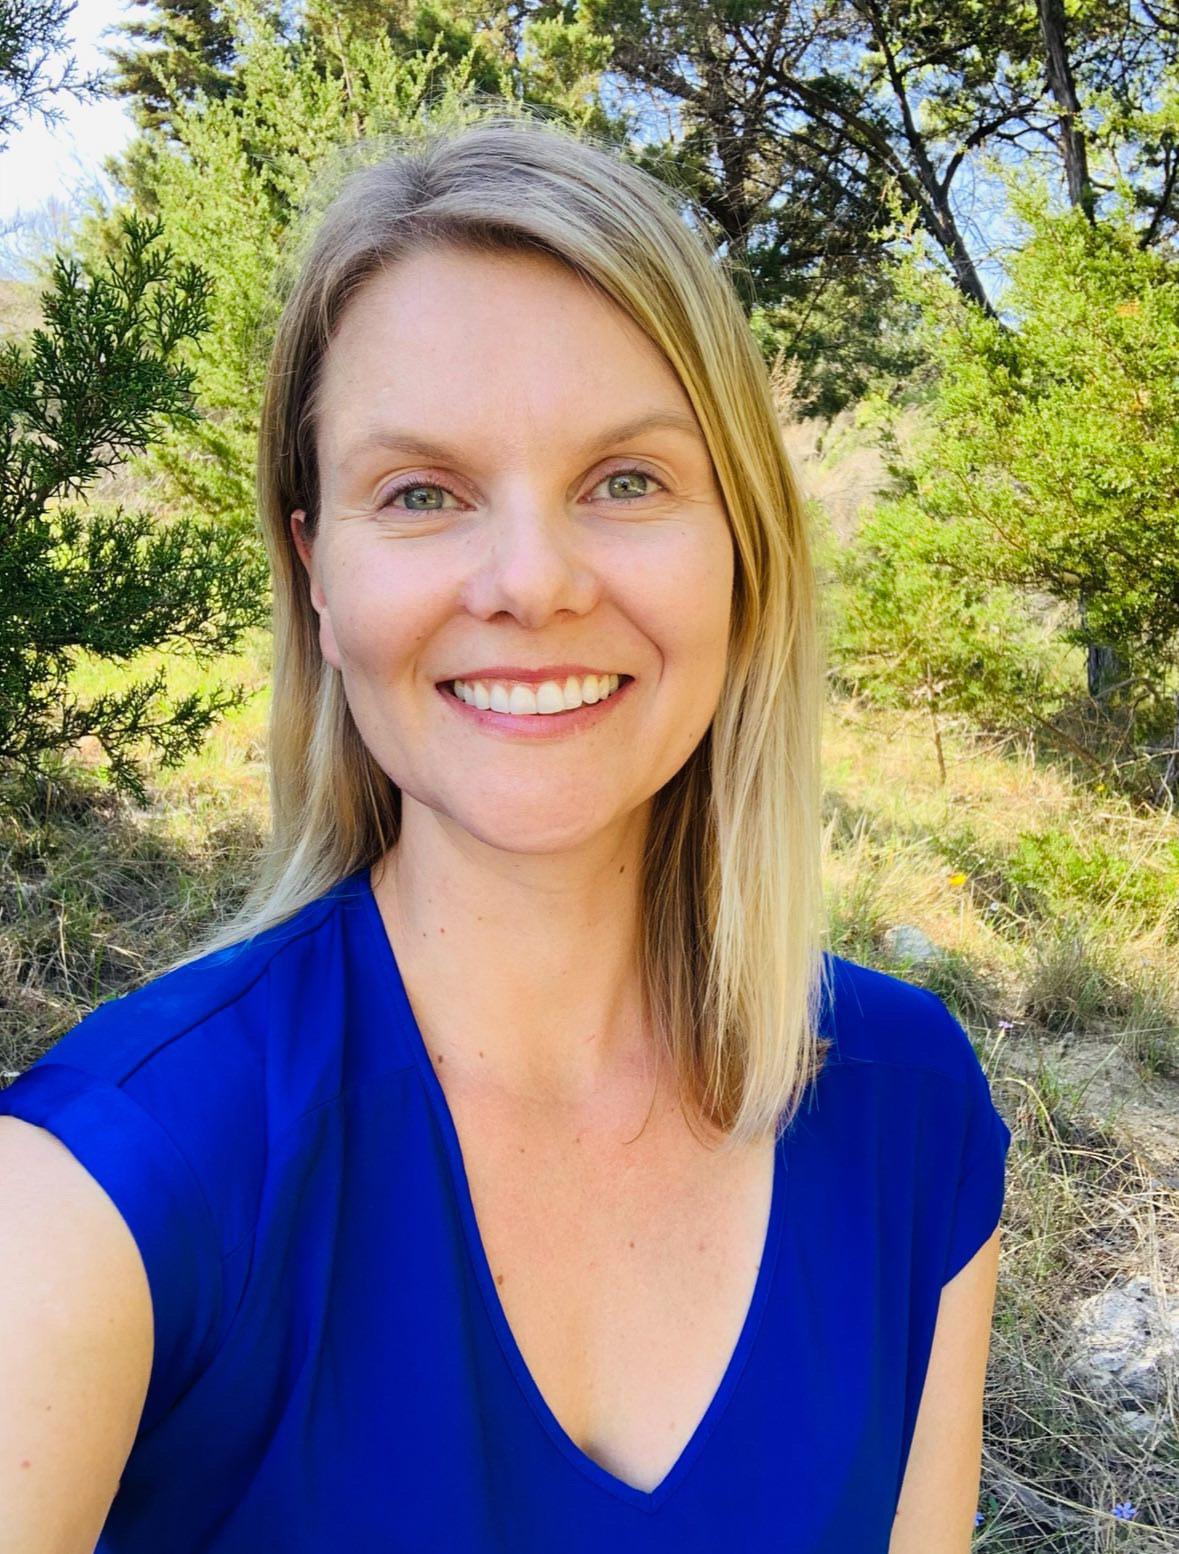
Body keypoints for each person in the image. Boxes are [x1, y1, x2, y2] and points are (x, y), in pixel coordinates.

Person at [0, 113, 1011, 1553]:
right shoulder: (105, 1193)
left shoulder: (912, 1112)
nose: (532, 583)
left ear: (744, 548)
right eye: (422, 493)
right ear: (318, 575)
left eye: (626, 480)